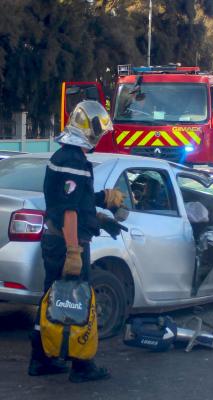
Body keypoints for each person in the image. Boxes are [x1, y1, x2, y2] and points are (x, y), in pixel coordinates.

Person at [28, 100, 125, 383]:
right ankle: (82, 365)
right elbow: (69, 211)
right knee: (77, 300)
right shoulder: (74, 161)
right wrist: (74, 250)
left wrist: (100, 201)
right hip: (67, 243)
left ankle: (41, 359)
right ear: (89, 128)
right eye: (99, 131)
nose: (101, 136)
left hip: (55, 240)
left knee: (51, 300)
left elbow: (72, 201)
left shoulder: (63, 156)